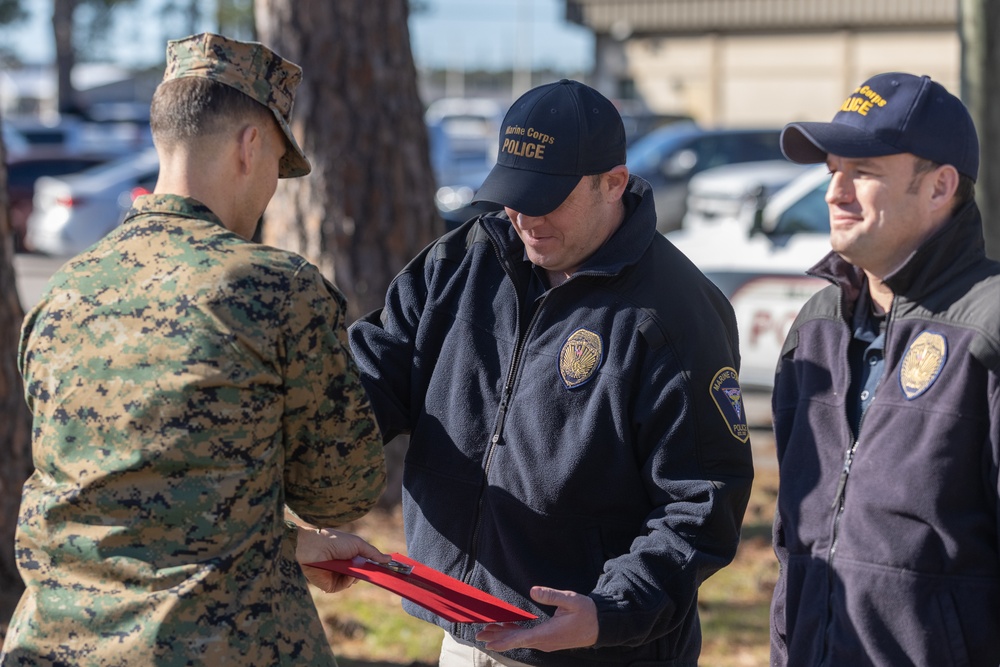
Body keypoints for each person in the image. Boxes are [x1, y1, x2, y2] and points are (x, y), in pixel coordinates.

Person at [1, 33, 388, 666]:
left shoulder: (65, 291)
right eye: (276, 169)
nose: (271, 190)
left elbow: (109, 494)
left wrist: (282, 541)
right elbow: (339, 494)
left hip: (56, 646)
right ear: (250, 145)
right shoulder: (276, 288)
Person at [349, 79, 755, 666]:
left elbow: (702, 504)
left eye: (548, 197)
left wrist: (609, 611)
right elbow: (370, 376)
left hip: (600, 649)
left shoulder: (676, 314)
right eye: (514, 193)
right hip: (466, 630)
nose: (524, 216)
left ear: (613, 183)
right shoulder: (465, 259)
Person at [770, 72, 1000, 665]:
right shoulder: (814, 329)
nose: (834, 193)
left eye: (863, 173)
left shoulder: (988, 329)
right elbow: (793, 544)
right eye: (831, 172)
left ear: (940, 186)